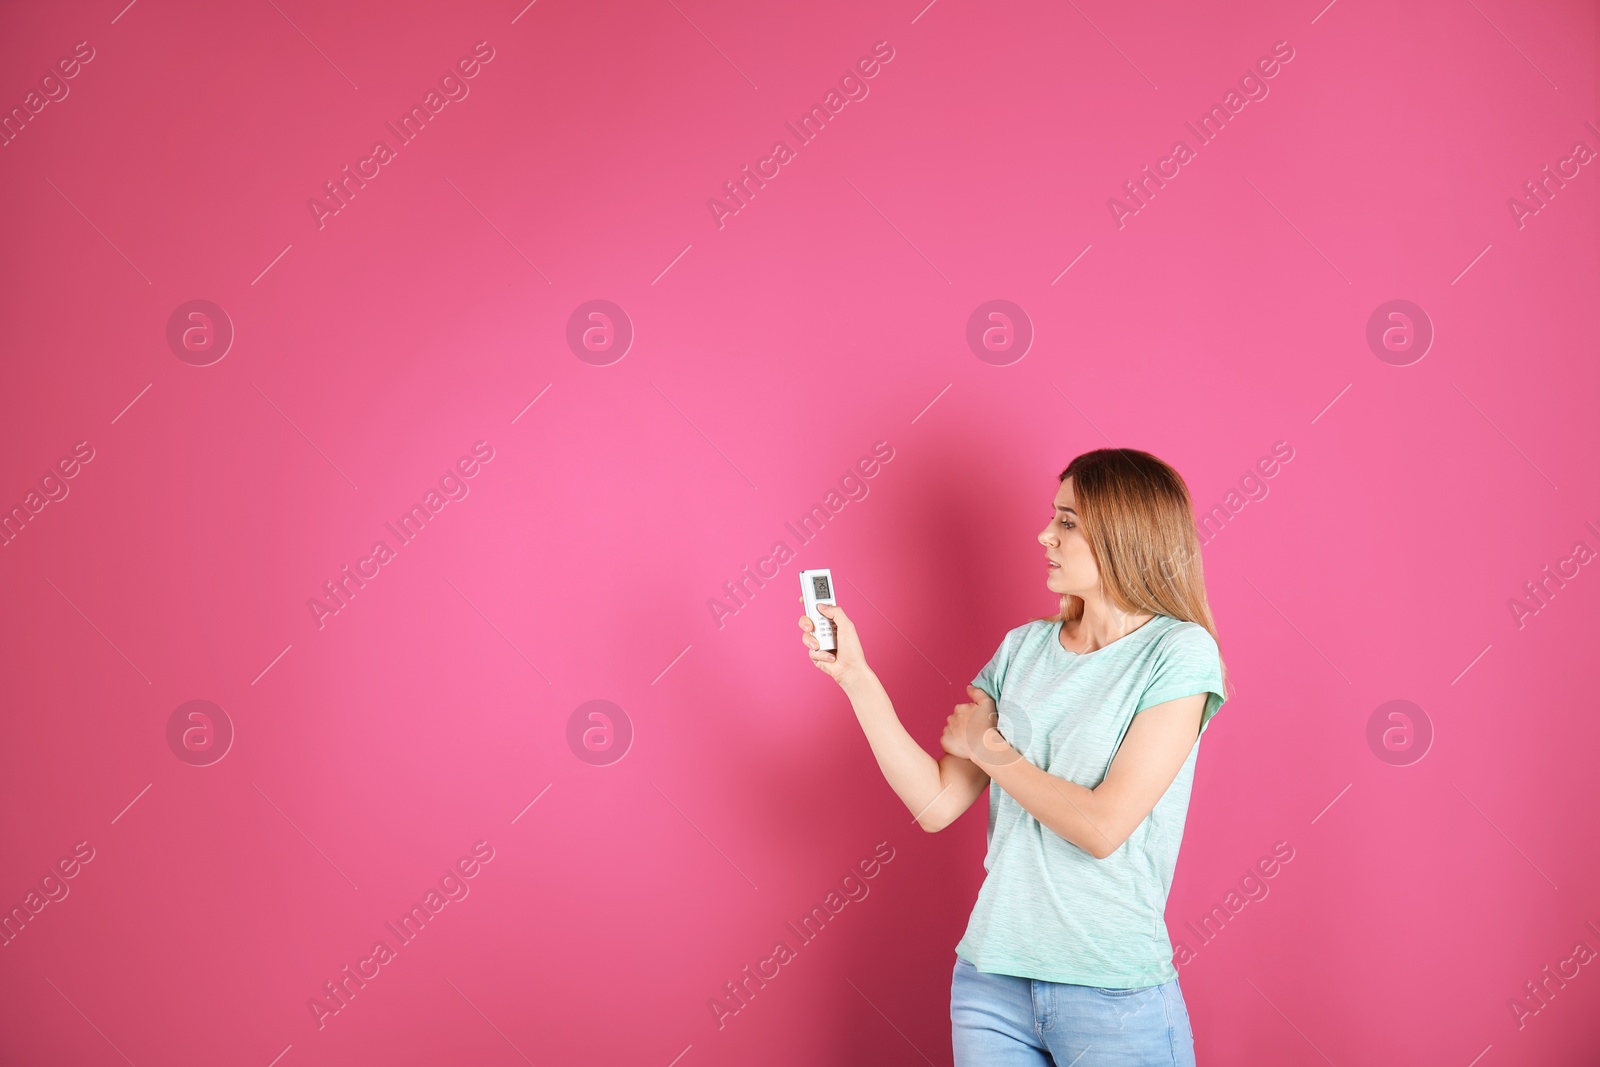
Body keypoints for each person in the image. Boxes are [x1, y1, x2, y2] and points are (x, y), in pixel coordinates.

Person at [797, 448, 1227, 1066]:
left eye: (1068, 522)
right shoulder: (1022, 650)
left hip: (1111, 990)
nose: (1044, 535)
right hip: (991, 986)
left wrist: (990, 750)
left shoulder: (1178, 653)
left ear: (1124, 532)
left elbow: (1103, 828)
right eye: (1054, 518)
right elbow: (938, 804)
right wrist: (857, 678)